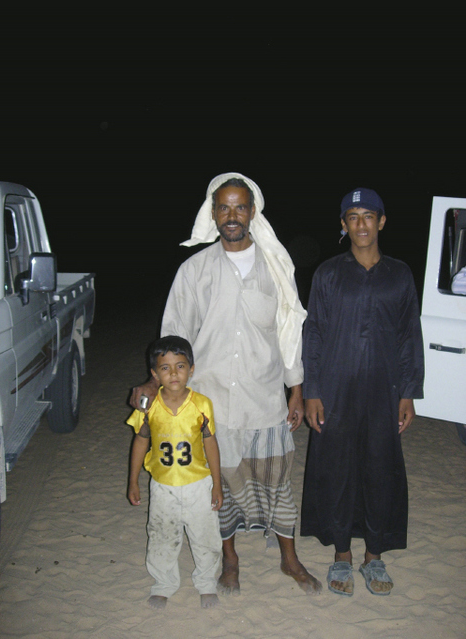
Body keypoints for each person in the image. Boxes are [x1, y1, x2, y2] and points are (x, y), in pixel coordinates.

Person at [131, 172, 322, 596]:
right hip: (212, 402)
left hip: (263, 397)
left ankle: (289, 559)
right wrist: (151, 383)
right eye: (224, 207)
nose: (232, 215)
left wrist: (296, 388)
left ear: (253, 212)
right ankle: (229, 561)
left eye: (240, 207)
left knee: (278, 481)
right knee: (218, 485)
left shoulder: (276, 267)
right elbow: (173, 335)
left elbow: (290, 331)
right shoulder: (194, 270)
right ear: (212, 213)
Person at [301, 188, 424, 597]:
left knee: (380, 469)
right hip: (335, 388)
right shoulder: (328, 274)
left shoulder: (400, 274)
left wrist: (408, 392)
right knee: (336, 469)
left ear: (382, 221)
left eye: (368, 216)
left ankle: (374, 556)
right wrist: (312, 390)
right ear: (343, 224)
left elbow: (409, 335)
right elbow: (313, 332)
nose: (361, 224)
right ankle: (341, 555)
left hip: (384, 390)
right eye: (352, 217)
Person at [127, 335, 223, 609]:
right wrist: (133, 480)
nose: (173, 373)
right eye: (165, 368)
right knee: (161, 535)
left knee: (205, 536)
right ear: (155, 374)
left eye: (180, 366)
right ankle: (164, 583)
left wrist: (217, 484)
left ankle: (206, 582)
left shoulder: (202, 404)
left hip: (198, 483)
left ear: (191, 369)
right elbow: (141, 440)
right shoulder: (149, 406)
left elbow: (211, 443)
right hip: (163, 484)